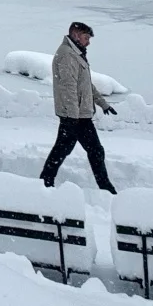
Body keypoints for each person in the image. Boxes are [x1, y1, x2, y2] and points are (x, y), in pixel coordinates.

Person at [40, 21, 116, 191]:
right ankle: (105, 188)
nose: (88, 42)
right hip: (74, 116)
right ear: (75, 35)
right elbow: (69, 89)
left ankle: (45, 182)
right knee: (84, 150)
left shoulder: (76, 54)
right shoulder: (67, 56)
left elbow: (85, 85)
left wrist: (102, 103)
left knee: (69, 150)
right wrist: (72, 119)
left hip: (78, 115)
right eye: (86, 37)